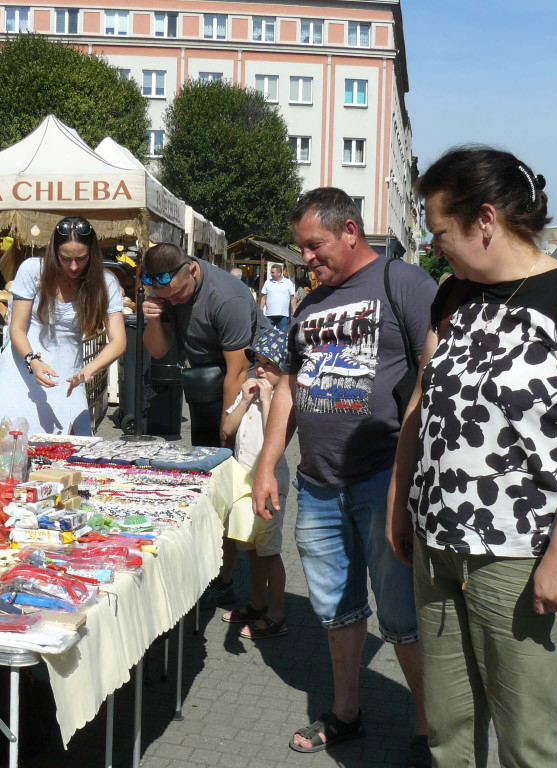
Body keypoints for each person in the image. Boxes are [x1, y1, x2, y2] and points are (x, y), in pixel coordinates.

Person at [387, 147, 557, 766]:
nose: (432, 243)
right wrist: (399, 502)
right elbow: (421, 403)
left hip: (524, 562)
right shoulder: (452, 295)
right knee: (448, 731)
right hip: (438, 549)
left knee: (529, 742)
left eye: (440, 230)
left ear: (485, 220)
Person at [251, 187, 435, 763]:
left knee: (401, 611)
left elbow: (434, 374)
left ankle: (429, 728)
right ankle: (348, 711)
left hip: (384, 478)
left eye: (314, 245)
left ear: (350, 231)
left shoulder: (401, 283)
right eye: (301, 248)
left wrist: (410, 484)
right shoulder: (308, 306)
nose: (305, 258)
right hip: (318, 484)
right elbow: (287, 386)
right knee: (337, 607)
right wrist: (267, 463)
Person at [142, 243, 270, 606]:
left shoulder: (227, 297)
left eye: (179, 294)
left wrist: (224, 436)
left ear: (193, 271)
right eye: (167, 296)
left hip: (243, 390)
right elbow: (156, 350)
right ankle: (212, 565)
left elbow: (237, 372)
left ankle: (231, 574)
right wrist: (154, 316)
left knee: (233, 479)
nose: (175, 302)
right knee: (206, 481)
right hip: (203, 385)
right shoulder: (165, 291)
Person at [0, 216, 126, 435]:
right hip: (22, 364)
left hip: (68, 372)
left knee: (69, 448)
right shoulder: (32, 270)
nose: (73, 266)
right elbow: (17, 329)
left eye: (81, 258)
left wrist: (89, 370)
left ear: (92, 255)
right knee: (10, 443)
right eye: (65, 258)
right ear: (54, 253)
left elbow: (118, 342)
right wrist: (33, 361)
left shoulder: (105, 283)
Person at [220, 328, 290, 639]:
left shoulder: (282, 400)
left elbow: (278, 438)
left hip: (271, 483)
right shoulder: (249, 393)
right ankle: (257, 602)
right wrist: (245, 401)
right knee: (249, 545)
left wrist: (264, 401)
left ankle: (276, 613)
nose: (260, 369)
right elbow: (227, 429)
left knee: (270, 551)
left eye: (269, 364)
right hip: (244, 480)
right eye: (257, 362)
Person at [259, 263, 296, 332]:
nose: (271, 274)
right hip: (269, 315)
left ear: (279, 273)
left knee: (283, 336)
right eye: (271, 272)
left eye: (273, 272)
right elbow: (263, 298)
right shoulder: (267, 282)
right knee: (266, 335)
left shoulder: (288, 283)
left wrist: (294, 312)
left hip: (283, 315)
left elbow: (293, 299)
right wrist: (260, 310)